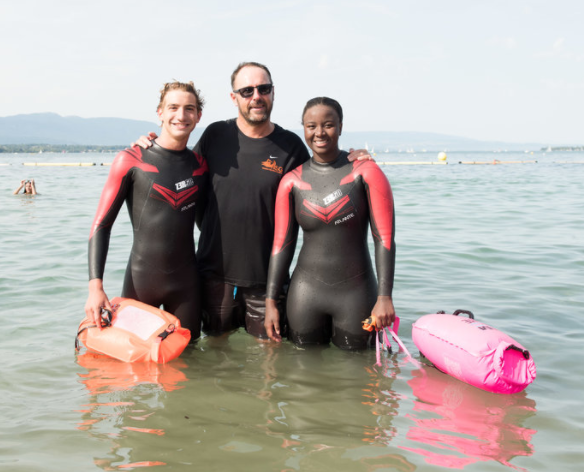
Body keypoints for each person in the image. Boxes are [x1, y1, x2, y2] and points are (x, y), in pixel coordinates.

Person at [135, 63, 373, 340]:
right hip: (213, 277)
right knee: (214, 354)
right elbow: (182, 172)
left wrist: (351, 161)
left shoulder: (291, 146)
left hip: (267, 284)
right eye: (247, 91)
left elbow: (323, 177)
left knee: (270, 360)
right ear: (234, 97)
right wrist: (153, 147)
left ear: (273, 92)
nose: (256, 96)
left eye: (264, 89)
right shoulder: (215, 135)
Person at [264, 97, 396, 350]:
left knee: (357, 369)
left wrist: (384, 297)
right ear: (304, 129)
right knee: (300, 368)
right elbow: (281, 245)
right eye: (311, 126)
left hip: (356, 294)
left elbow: (384, 238)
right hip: (304, 294)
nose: (319, 133)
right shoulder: (291, 182)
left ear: (341, 127)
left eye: (328, 125)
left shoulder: (366, 172)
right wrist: (270, 302)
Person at [85, 81, 208, 339]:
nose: (181, 115)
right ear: (160, 113)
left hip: (187, 286)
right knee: (133, 360)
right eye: (173, 107)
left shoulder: (200, 165)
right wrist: (95, 288)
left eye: (189, 108)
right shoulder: (131, 159)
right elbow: (102, 226)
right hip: (141, 282)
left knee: (189, 360)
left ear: (198, 116)